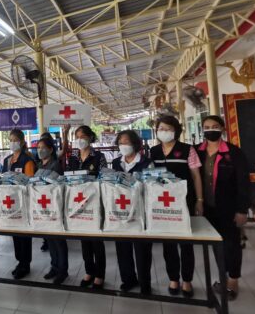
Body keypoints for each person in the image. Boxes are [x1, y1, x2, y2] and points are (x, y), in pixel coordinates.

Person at [195, 115, 250, 300]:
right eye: (207, 126)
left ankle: (233, 280)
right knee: (217, 244)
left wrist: (242, 210)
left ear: (223, 129)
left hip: (229, 208)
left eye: (215, 126)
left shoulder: (234, 153)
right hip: (207, 208)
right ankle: (222, 275)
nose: (211, 129)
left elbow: (243, 183)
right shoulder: (197, 152)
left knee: (231, 244)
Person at [150, 115, 203, 297]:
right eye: (161, 129)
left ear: (176, 130)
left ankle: (187, 280)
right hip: (162, 203)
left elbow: (196, 176)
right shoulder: (153, 151)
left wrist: (200, 200)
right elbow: (149, 176)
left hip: (184, 202)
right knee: (168, 243)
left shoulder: (188, 150)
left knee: (186, 243)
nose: (164, 132)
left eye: (168, 128)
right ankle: (173, 278)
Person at [66, 125, 107, 289]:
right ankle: (89, 271)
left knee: (96, 240)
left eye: (83, 136)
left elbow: (103, 177)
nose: (80, 140)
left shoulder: (99, 156)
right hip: (78, 202)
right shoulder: (74, 156)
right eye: (77, 136)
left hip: (94, 201)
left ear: (90, 137)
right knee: (84, 240)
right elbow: (67, 175)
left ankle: (100, 275)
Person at [112, 130, 153, 294]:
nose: (123, 145)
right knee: (122, 247)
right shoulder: (116, 163)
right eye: (120, 142)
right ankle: (128, 279)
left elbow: (151, 186)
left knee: (142, 249)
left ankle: (145, 282)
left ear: (135, 144)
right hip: (121, 210)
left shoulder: (146, 162)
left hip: (140, 211)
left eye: (127, 142)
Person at [2, 129, 36, 279]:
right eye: (10, 140)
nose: (12, 143)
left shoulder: (27, 160)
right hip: (10, 202)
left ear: (22, 142)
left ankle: (25, 264)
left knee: (23, 235)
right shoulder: (7, 160)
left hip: (23, 201)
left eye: (15, 140)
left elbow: (30, 181)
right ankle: (19, 261)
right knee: (15, 233)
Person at [37, 137, 69, 285]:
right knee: (50, 239)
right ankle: (54, 266)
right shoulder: (39, 164)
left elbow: (55, 186)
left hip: (54, 207)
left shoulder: (55, 165)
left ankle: (63, 270)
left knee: (58, 240)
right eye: (38, 147)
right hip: (43, 207)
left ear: (50, 149)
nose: (40, 150)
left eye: (43, 147)